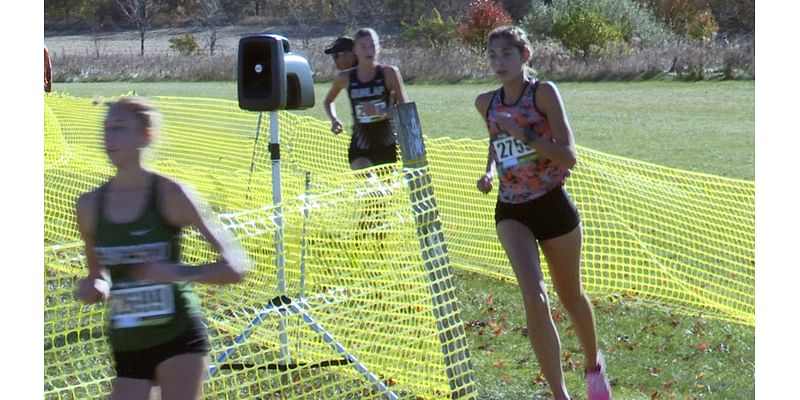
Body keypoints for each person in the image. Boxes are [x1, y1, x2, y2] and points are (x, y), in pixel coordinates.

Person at [73, 97, 251, 400]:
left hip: (177, 337)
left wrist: (175, 272)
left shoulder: (171, 194)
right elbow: (97, 274)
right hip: (128, 343)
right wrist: (94, 286)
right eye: (106, 129)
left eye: (119, 128)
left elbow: (236, 266)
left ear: (146, 135)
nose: (109, 138)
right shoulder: (90, 205)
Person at [474, 26, 612, 400]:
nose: (499, 62)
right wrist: (488, 171)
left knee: (571, 296)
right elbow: (495, 141)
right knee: (534, 296)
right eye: (493, 55)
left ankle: (592, 366)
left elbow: (569, 155)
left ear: (525, 56)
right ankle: (559, 394)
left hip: (552, 203)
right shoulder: (485, 102)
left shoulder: (544, 93)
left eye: (506, 54)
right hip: (512, 210)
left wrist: (525, 136)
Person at [323, 28, 409, 170]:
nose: (368, 51)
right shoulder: (345, 78)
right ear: (355, 50)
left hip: (386, 143)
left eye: (372, 46)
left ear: (378, 48)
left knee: (382, 190)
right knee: (366, 178)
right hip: (360, 144)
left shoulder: (389, 73)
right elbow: (328, 101)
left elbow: (405, 111)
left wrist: (381, 111)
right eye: (363, 47)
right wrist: (334, 119)